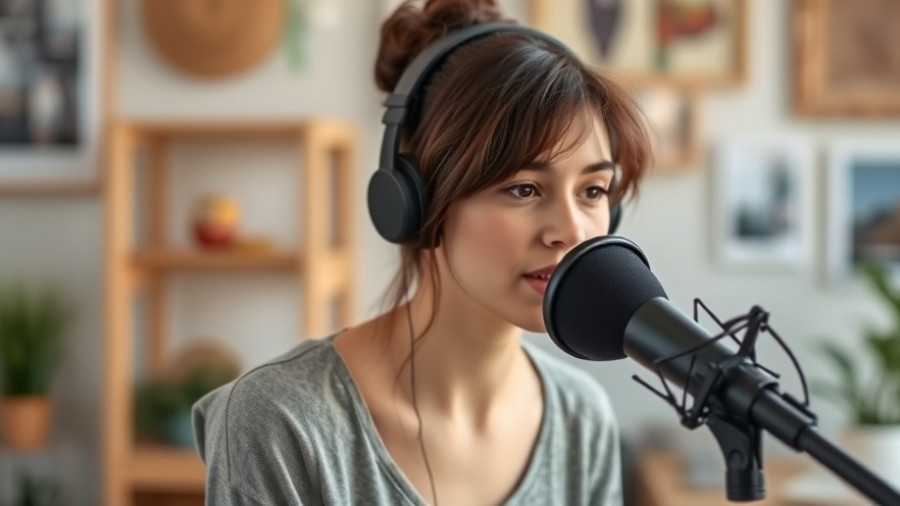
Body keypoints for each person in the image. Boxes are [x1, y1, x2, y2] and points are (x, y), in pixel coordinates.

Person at [192, 0, 652, 504]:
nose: (572, 232)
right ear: (417, 199)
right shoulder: (279, 423)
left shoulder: (581, 418)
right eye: (523, 189)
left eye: (593, 191)